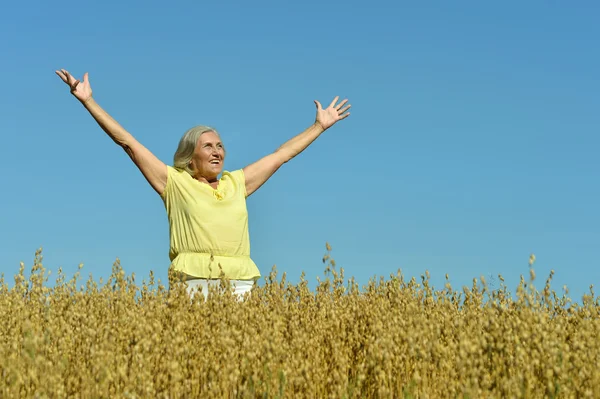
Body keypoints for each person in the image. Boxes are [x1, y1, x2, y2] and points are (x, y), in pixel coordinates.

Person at [55, 69, 351, 300]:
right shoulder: (174, 182)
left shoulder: (237, 183)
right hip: (191, 284)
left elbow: (280, 155)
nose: (217, 150)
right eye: (207, 145)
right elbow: (128, 143)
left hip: (240, 286)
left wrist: (318, 127)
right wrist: (89, 101)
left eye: (220, 145)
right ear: (189, 155)